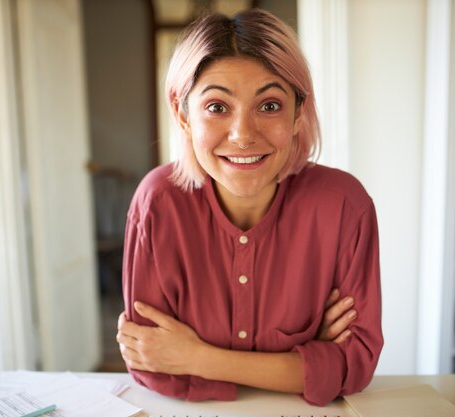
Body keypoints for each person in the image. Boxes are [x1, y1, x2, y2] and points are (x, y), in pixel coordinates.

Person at [116, 8, 383, 406]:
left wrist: (196, 357)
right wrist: (306, 363)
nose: (243, 135)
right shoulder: (158, 204)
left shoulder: (345, 206)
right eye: (217, 107)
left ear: (298, 113)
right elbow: (152, 366)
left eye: (270, 106)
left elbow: (355, 364)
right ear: (182, 114)